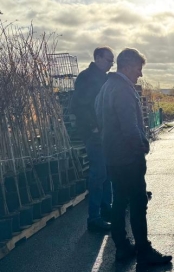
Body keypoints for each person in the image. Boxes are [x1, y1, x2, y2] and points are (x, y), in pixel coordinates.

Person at [95, 48, 172, 266]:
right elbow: (129, 127)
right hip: (128, 156)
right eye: (138, 69)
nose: (140, 74)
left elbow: (99, 118)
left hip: (112, 155)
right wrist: (142, 146)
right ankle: (144, 251)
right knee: (138, 202)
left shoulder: (106, 87)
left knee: (119, 200)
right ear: (127, 66)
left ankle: (122, 247)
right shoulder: (122, 89)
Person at [70, 46, 114, 232]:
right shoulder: (86, 77)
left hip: (105, 132)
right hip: (94, 133)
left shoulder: (104, 78)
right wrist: (93, 127)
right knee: (98, 173)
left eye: (112, 61)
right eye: (108, 60)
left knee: (107, 172)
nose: (111, 64)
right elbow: (79, 106)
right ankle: (94, 217)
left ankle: (106, 209)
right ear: (97, 57)